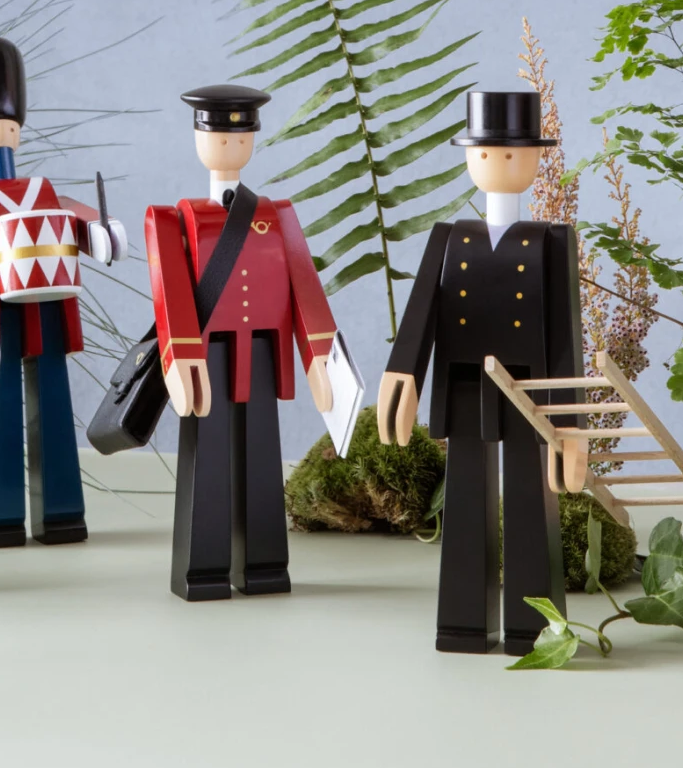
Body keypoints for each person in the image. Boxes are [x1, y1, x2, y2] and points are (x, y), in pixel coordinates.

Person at [377, 87, 583, 653]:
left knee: (530, 503)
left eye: (512, 152)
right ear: (471, 156)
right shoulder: (449, 238)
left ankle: (533, 629)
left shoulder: (551, 241)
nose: (498, 161)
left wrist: (570, 427)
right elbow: (421, 312)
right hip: (464, 387)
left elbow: (566, 338)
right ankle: (463, 623)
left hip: (530, 394)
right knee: (465, 502)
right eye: (487, 151)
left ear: (535, 158)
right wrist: (402, 374)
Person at [145, 84, 337, 600]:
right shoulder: (174, 218)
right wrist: (180, 355)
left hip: (263, 352)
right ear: (198, 138)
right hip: (206, 355)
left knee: (262, 454)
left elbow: (304, 286)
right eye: (219, 136)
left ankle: (265, 564)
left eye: (241, 135)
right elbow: (170, 292)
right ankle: (202, 570)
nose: (230, 145)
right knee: (208, 457)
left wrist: (320, 356)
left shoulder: (277, 214)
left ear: (252, 138)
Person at [0, 36, 125, 547]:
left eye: (8, 125)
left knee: (55, 407)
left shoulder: (41, 189)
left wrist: (99, 232)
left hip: (47, 305)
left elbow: (72, 215)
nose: (1, 133)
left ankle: (61, 511)